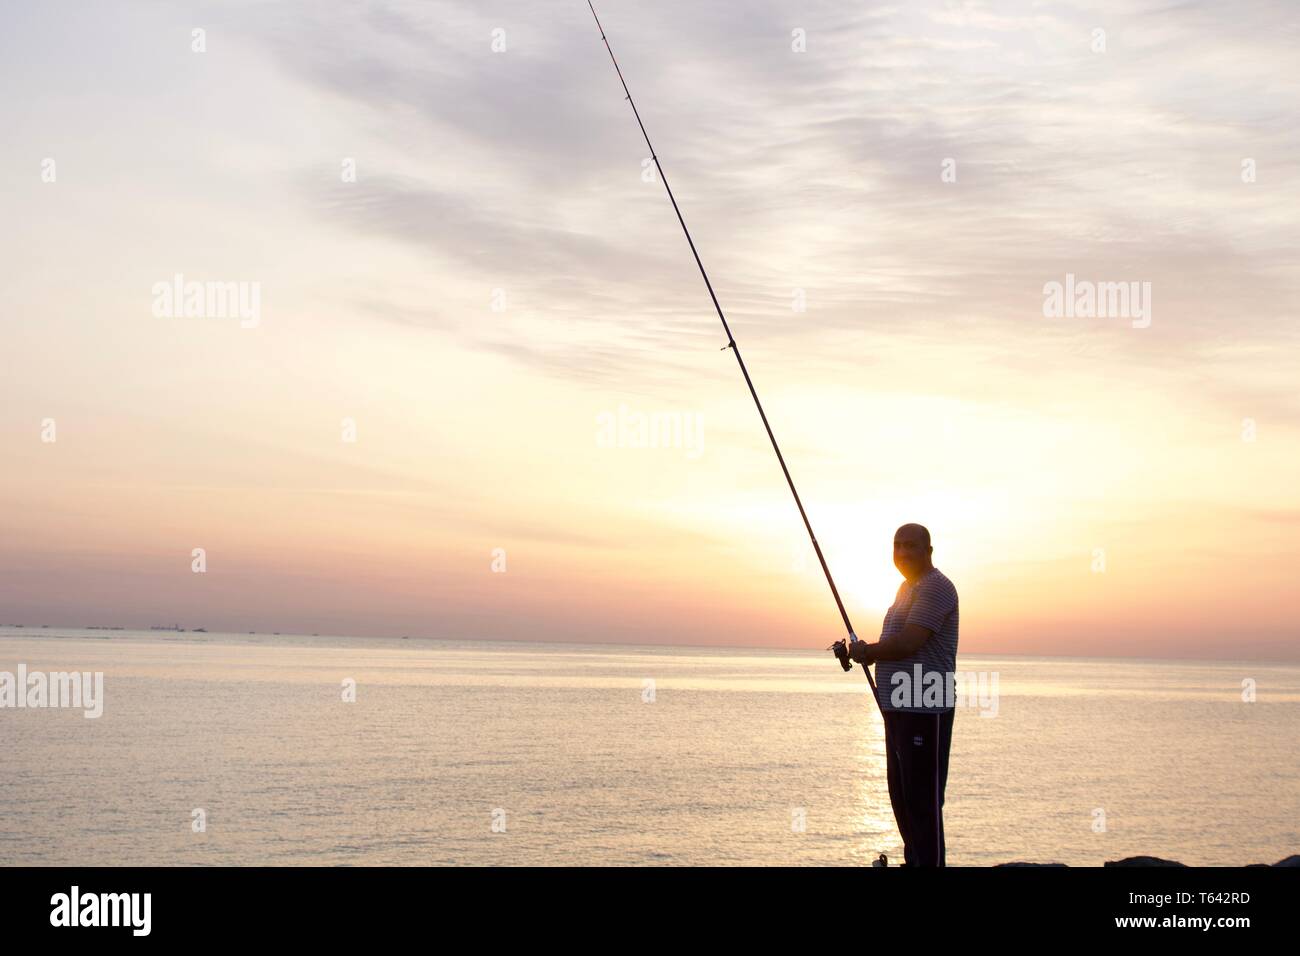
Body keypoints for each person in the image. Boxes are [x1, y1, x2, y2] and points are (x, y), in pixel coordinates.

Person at [849, 523, 959, 866]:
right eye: (898, 546)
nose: (904, 552)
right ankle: (916, 861)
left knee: (923, 798)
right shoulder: (904, 588)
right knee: (903, 796)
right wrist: (867, 652)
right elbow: (898, 641)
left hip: (926, 706)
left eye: (912, 546)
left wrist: (868, 652)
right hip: (898, 704)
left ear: (928, 551)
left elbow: (910, 642)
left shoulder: (936, 588)